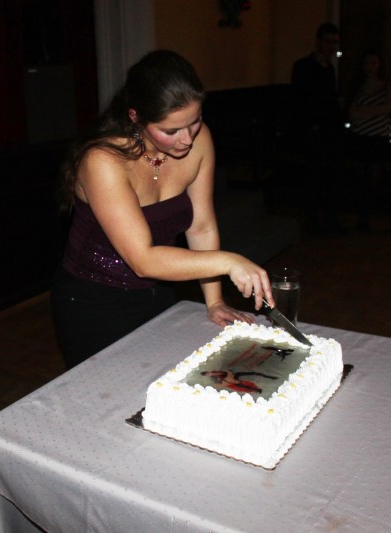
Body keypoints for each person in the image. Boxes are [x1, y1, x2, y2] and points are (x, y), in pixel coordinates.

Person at [51, 50, 274, 369]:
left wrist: (214, 301)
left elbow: (201, 227)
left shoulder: (200, 139)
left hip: (160, 290)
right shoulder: (103, 161)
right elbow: (143, 260)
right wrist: (229, 262)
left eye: (195, 121)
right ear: (135, 117)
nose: (187, 139)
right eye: (170, 131)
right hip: (93, 302)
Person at [290, 22, 346, 236]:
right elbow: (298, 101)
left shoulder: (330, 69)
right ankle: (312, 222)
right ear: (318, 42)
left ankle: (330, 220)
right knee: (313, 178)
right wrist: (310, 127)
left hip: (330, 133)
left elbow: (330, 102)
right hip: (312, 134)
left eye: (335, 42)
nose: (331, 46)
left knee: (331, 178)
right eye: (328, 41)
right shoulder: (303, 66)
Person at [347, 48, 391, 230]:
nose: (370, 67)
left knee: (374, 177)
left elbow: (387, 108)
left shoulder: (388, 85)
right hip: (360, 136)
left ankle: (387, 209)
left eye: (373, 63)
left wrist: (365, 112)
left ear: (379, 64)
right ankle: (363, 217)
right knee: (360, 178)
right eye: (366, 63)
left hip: (378, 137)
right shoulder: (358, 86)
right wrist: (370, 113)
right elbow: (352, 113)